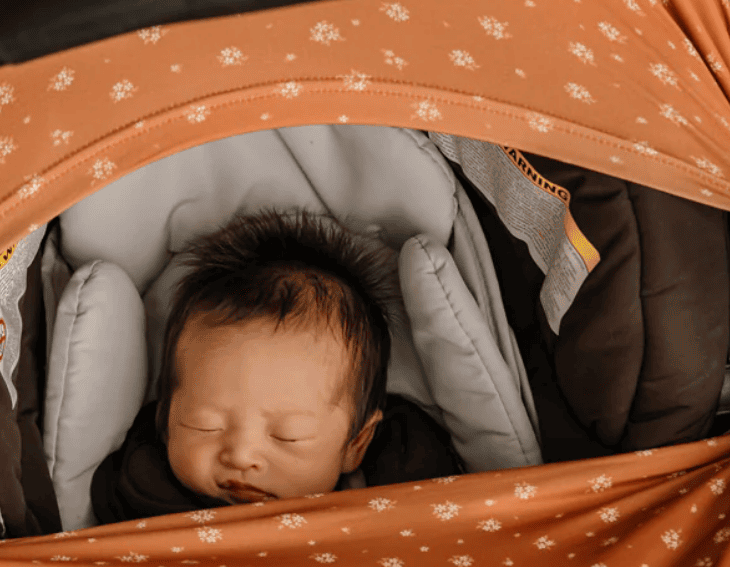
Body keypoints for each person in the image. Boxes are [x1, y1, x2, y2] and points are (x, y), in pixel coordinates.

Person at [90, 209, 463, 524]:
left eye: (289, 436)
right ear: (165, 418)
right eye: (205, 424)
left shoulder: (406, 493)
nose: (241, 455)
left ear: (355, 444)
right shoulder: (139, 497)